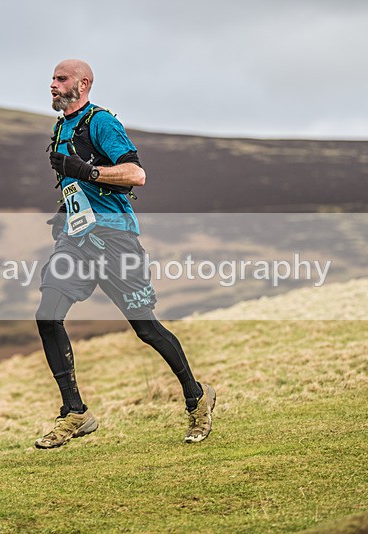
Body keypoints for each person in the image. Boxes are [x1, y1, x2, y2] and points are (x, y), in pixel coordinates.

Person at [34, 59, 215, 449]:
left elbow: (135, 175)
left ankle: (197, 398)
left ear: (82, 84)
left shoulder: (100, 122)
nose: (51, 84)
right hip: (76, 239)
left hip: (116, 239)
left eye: (60, 78)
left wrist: (86, 172)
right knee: (47, 315)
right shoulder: (60, 125)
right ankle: (75, 412)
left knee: (145, 328)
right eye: (51, 78)